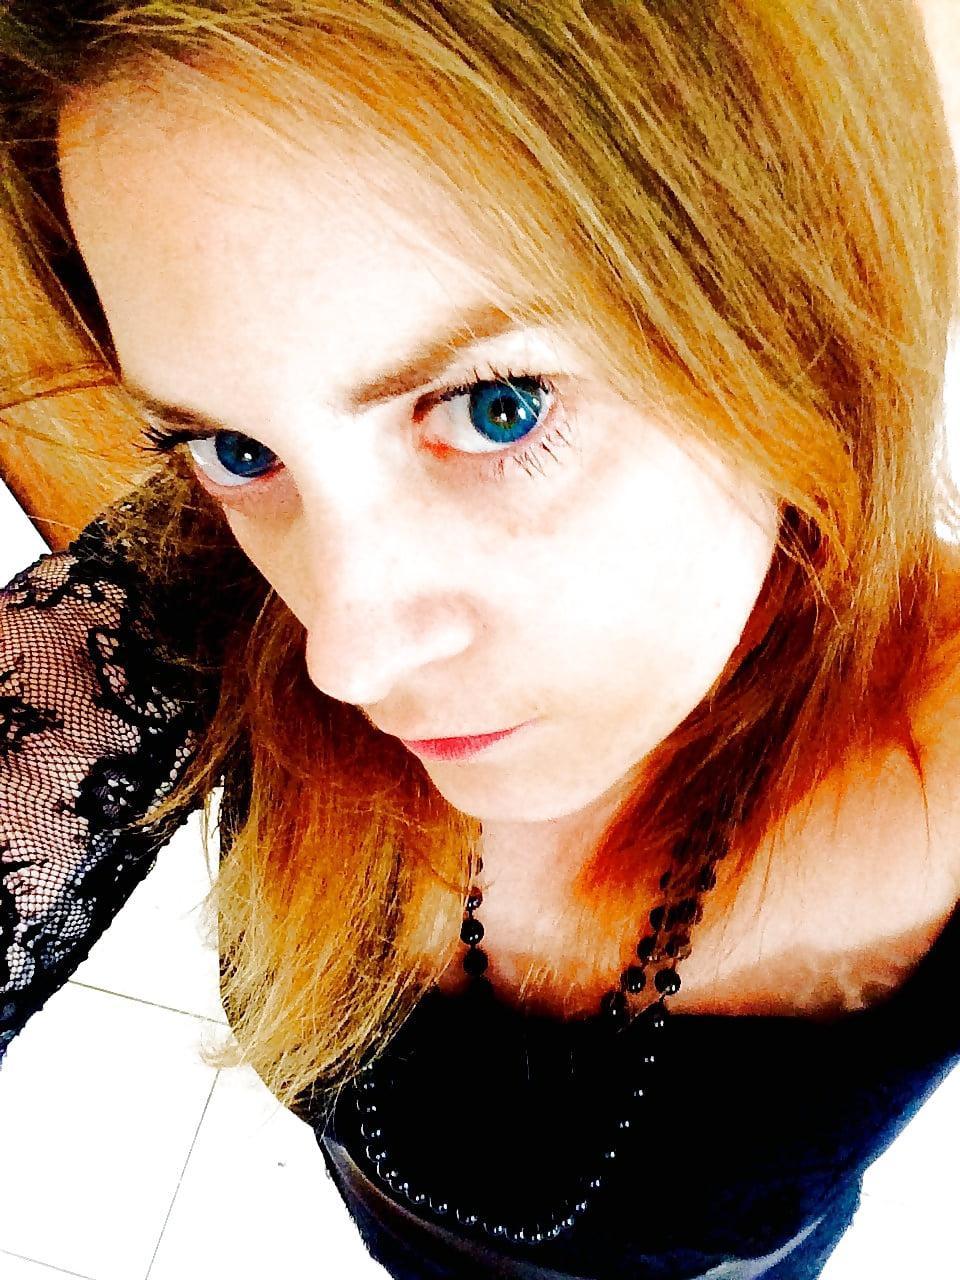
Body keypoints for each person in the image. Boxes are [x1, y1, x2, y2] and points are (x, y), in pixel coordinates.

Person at [1, 2, 959, 1276]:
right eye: (236, 448)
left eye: (498, 407)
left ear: (812, 312)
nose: (343, 654)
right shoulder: (202, 580)